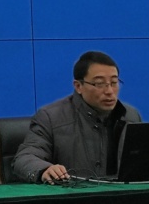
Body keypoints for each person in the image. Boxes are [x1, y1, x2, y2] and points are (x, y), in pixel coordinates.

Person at [12, 50, 142, 183]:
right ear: (78, 86)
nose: (109, 91)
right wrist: (44, 169)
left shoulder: (131, 116)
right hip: (71, 193)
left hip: (123, 194)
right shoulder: (51, 117)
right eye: (99, 84)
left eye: (114, 83)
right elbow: (24, 158)